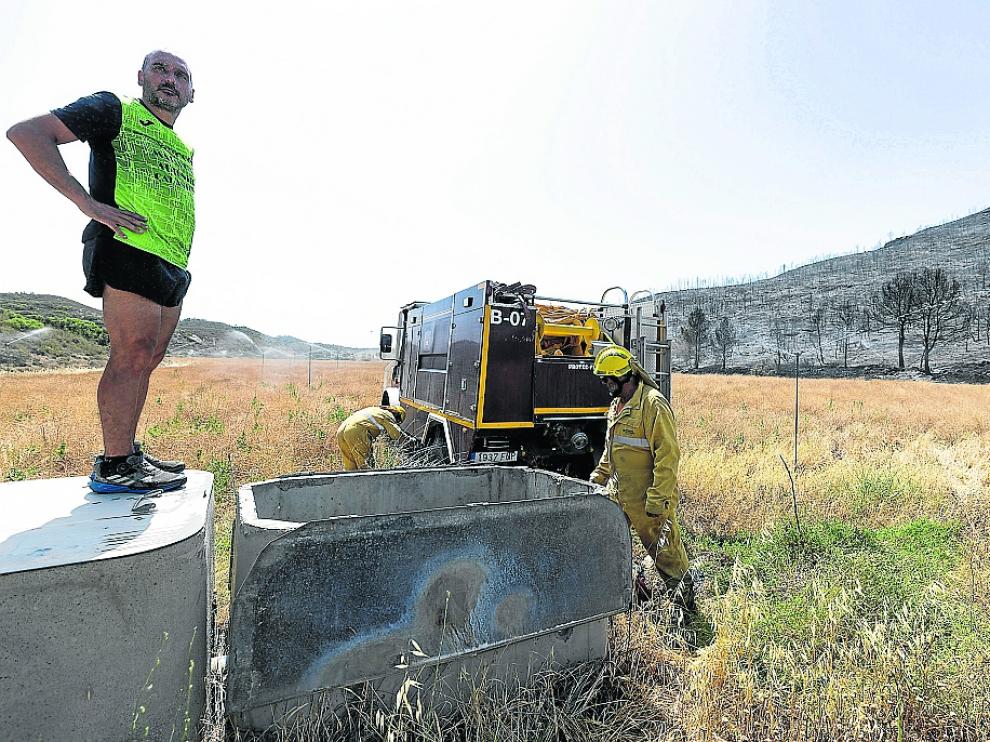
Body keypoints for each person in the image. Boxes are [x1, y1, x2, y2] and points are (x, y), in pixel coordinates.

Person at [7, 51, 196, 493]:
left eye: (180, 75)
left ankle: (127, 453)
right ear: (141, 77)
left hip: (172, 260)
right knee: (132, 353)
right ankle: (113, 465)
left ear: (192, 92)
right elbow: (28, 133)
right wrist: (86, 203)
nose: (170, 79)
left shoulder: (182, 146)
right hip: (127, 248)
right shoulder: (114, 108)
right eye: (160, 70)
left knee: (148, 359)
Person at [589, 345, 694, 610]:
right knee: (611, 544)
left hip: (648, 500)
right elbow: (611, 449)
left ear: (625, 377)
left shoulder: (652, 404)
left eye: (607, 379)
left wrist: (657, 498)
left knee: (665, 553)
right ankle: (636, 591)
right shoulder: (617, 405)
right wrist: (598, 477)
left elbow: (668, 456)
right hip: (619, 495)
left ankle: (684, 606)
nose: (604, 383)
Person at [336, 405, 412, 471]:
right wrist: (412, 442)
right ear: (398, 417)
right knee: (366, 466)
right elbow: (398, 435)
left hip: (341, 430)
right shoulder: (388, 416)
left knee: (350, 467)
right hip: (356, 431)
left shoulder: (376, 410)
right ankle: (368, 486)